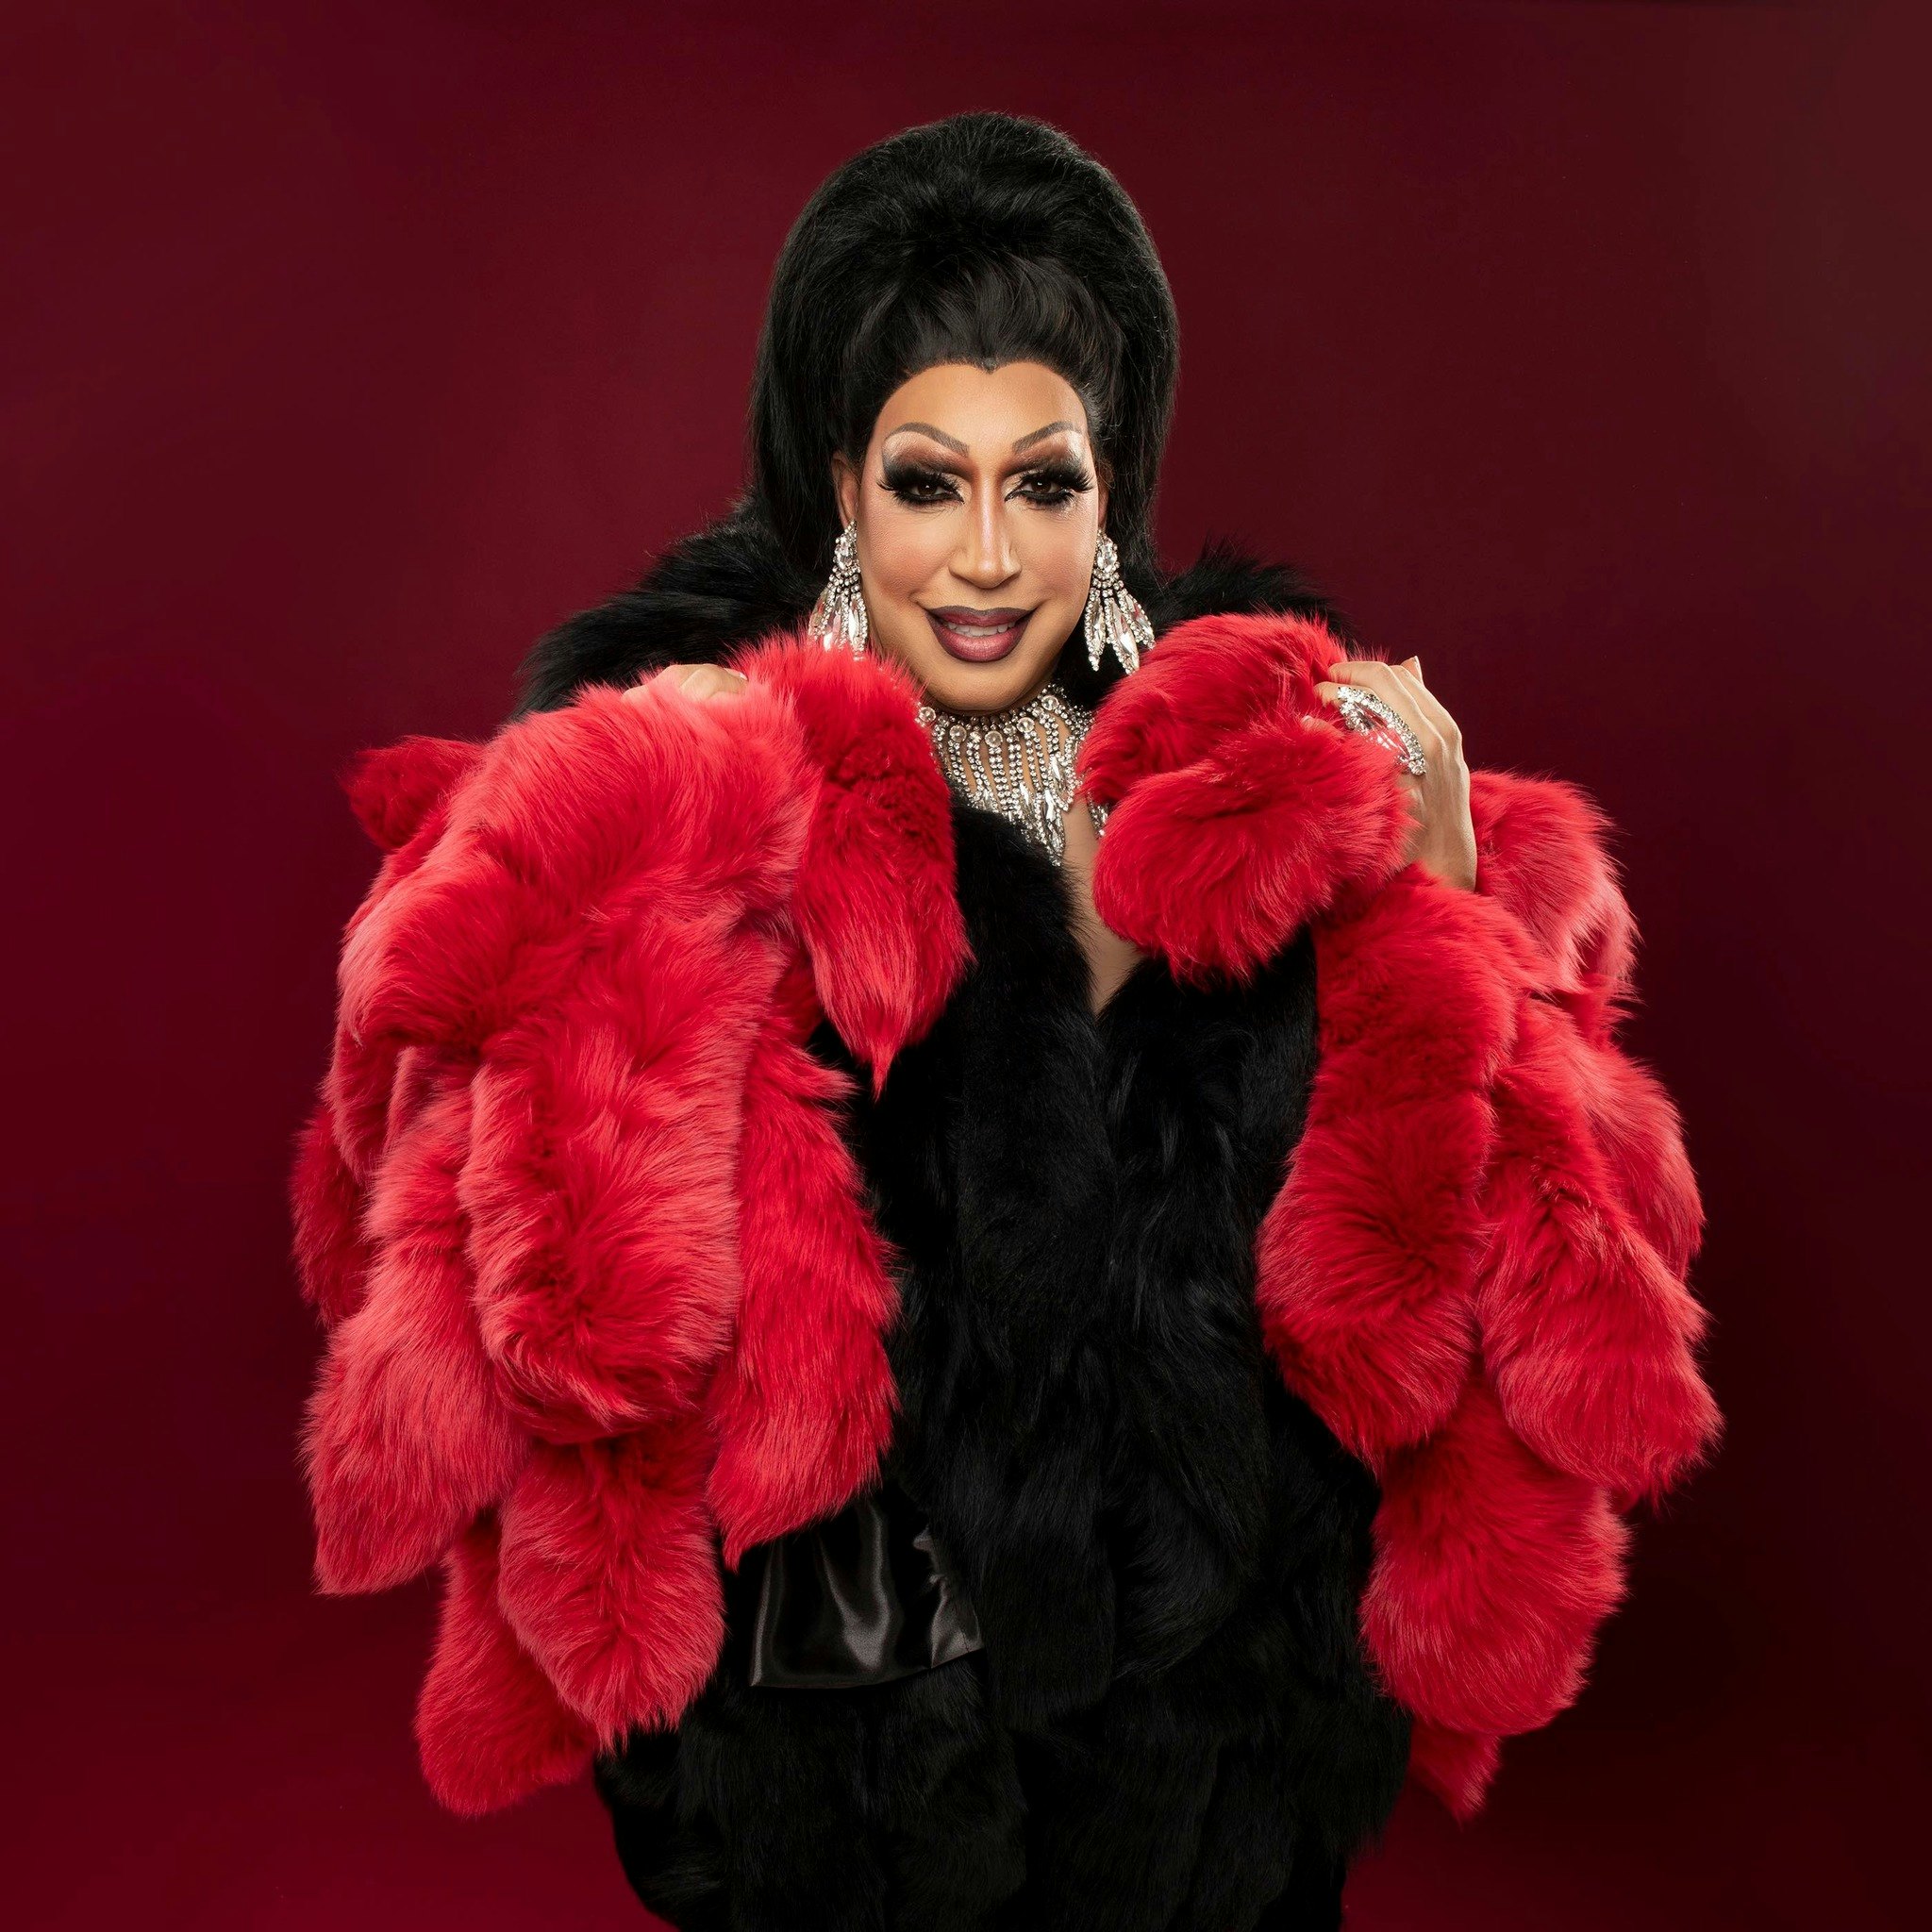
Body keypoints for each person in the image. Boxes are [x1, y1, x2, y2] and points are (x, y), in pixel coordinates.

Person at [291, 112, 1718, 1930]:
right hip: (858, 1774)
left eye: (1040, 485)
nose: (983, 558)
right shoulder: (688, 776)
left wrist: (1436, 917)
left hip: (1208, 1766)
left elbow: (1497, 1283)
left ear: (1109, 491)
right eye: (925, 482)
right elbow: (522, 1267)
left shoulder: (1274, 771)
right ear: (840, 485)